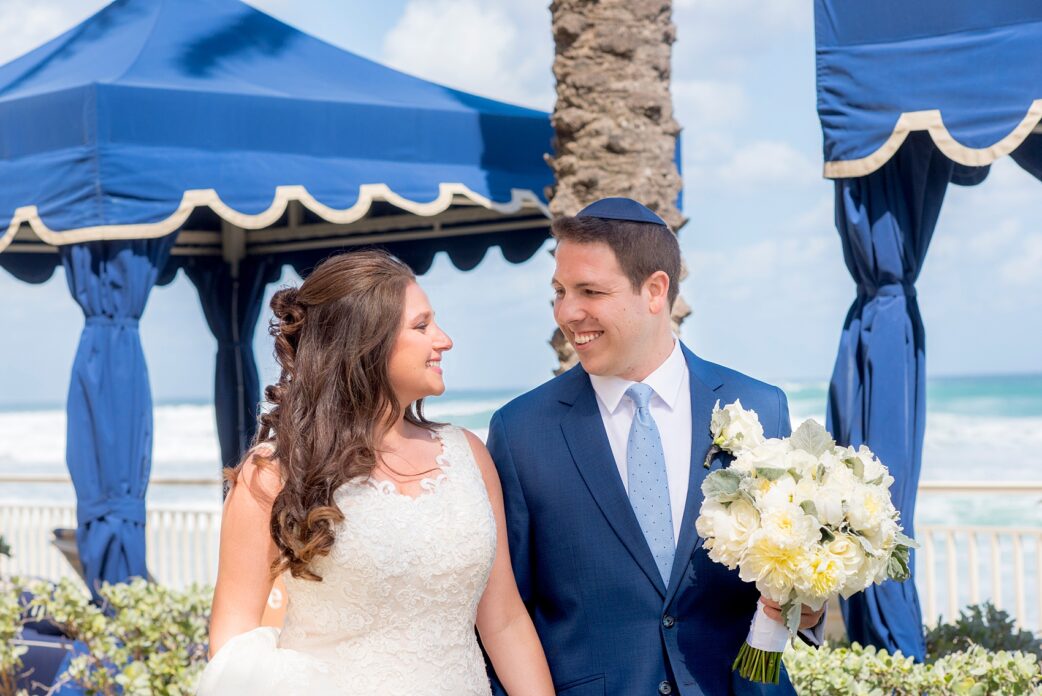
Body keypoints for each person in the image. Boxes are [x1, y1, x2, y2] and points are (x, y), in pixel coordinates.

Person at [485, 198, 824, 696]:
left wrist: (807, 605)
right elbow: (504, 613)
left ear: (655, 290)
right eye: (558, 291)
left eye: (590, 291)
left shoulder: (759, 406)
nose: (567, 312)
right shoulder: (520, 431)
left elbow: (787, 573)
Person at [199, 250, 554, 695]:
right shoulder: (275, 473)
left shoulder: (470, 457)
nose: (444, 340)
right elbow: (232, 642)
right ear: (365, 343)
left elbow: (504, 620)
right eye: (422, 326)